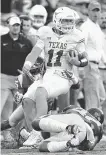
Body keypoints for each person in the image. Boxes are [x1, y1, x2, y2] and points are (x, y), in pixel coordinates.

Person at [1, 16, 33, 141]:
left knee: (22, 107)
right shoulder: (1, 39)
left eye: (18, 25)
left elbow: (32, 59)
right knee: (2, 106)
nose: (16, 27)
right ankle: (7, 135)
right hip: (3, 77)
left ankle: (15, 134)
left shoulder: (26, 42)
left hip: (19, 79)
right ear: (8, 25)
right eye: (13, 25)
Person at [80, 1, 106, 110]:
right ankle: (91, 124)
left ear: (101, 12)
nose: (96, 13)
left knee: (101, 96)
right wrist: (84, 64)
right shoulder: (86, 26)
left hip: (97, 66)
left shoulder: (96, 27)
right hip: (89, 65)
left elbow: (100, 49)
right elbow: (80, 45)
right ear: (88, 12)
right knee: (92, 99)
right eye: (93, 10)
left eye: (97, 10)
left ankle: (95, 122)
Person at [99, 12, 106, 136]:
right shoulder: (96, 33)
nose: (104, 20)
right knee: (101, 98)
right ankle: (100, 126)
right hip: (98, 68)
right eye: (102, 18)